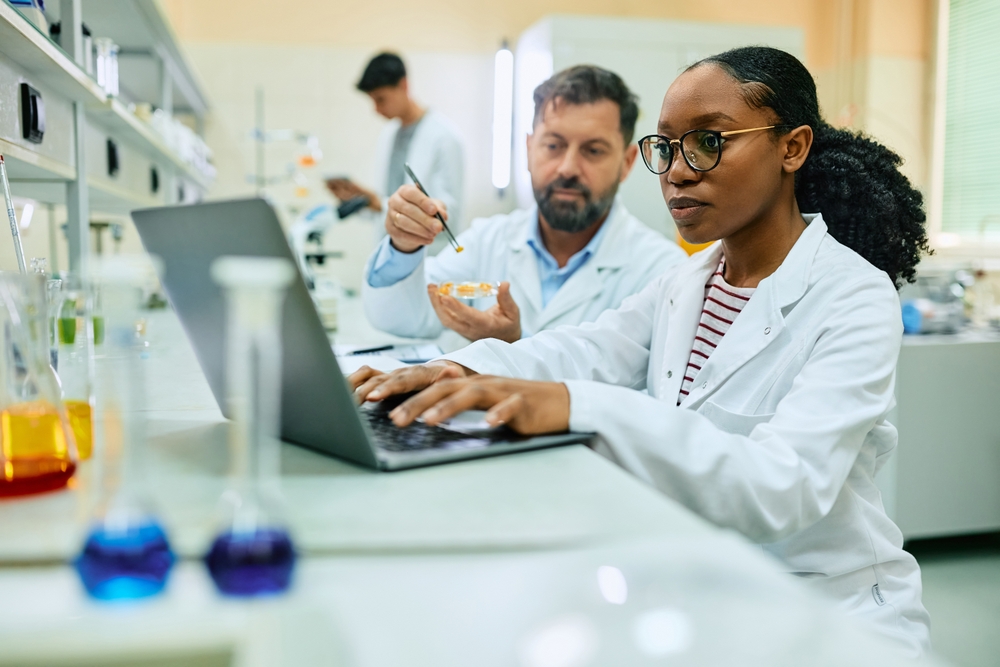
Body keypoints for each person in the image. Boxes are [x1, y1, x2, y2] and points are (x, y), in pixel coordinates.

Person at [350, 47, 933, 656]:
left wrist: (571, 406)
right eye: (668, 147)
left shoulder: (854, 295)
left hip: (829, 616)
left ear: (793, 147)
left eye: (708, 141)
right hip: (705, 589)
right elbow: (581, 352)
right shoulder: (688, 281)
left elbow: (780, 488)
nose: (677, 172)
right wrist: (451, 369)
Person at [363, 65, 686, 344]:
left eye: (594, 150)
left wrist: (515, 348)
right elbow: (400, 317)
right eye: (553, 145)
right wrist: (403, 246)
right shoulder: (486, 242)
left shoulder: (662, 271)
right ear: (530, 148)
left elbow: (652, 398)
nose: (568, 168)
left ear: (627, 163)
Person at [326, 52, 464, 229]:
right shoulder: (389, 134)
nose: (376, 109)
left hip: (430, 253)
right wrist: (362, 199)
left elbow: (448, 213)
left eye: (381, 99)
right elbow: (387, 199)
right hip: (392, 246)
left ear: (403, 86)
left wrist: (379, 204)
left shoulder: (445, 139)